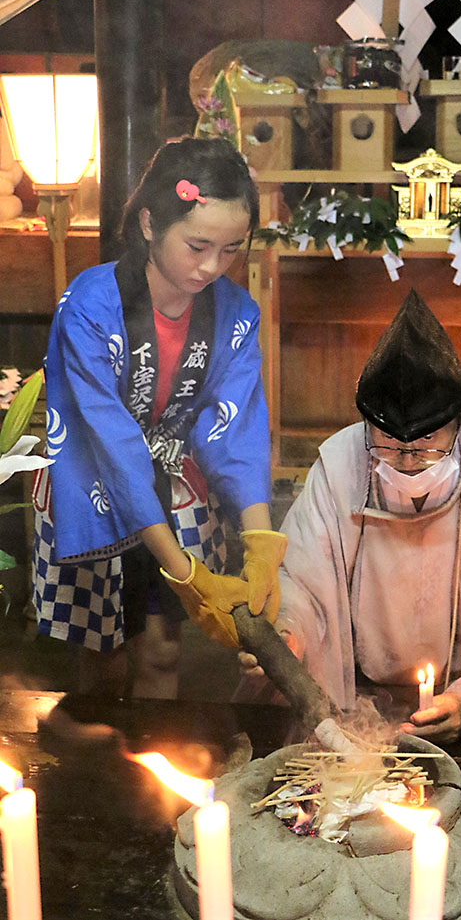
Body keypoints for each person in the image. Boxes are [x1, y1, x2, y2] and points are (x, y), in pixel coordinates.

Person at [239, 290, 461, 742]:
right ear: (365, 425)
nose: (408, 459)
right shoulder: (340, 467)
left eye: (428, 440)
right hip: (354, 697)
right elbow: (303, 584)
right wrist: (286, 636)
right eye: (389, 442)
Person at [32, 136, 287, 701]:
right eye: (198, 245)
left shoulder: (235, 312)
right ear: (149, 223)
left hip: (175, 482)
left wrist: (262, 539)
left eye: (231, 250)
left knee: (163, 651)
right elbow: (108, 440)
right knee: (101, 656)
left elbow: (237, 425)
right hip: (93, 478)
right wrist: (185, 573)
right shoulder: (91, 307)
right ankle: (102, 776)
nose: (212, 266)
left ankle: (163, 780)